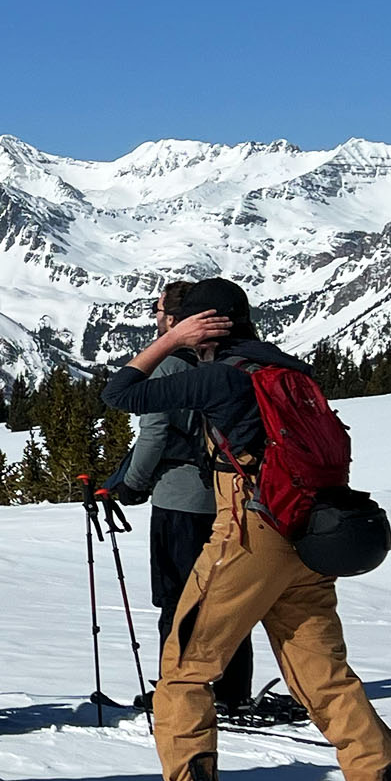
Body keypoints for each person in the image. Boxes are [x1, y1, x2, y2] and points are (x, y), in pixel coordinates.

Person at [101, 277, 391, 781]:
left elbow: (120, 393)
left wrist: (167, 342)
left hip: (250, 532)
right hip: (309, 535)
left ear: (202, 326)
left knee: (185, 665)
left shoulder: (221, 376)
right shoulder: (288, 368)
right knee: (327, 680)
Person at [100, 279, 260, 718]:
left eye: (158, 313)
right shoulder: (237, 362)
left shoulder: (169, 367)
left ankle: (176, 689)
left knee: (178, 599)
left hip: (180, 499)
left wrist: (130, 484)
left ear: (174, 320)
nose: (154, 319)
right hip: (233, 498)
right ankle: (232, 688)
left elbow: (152, 435)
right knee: (227, 595)